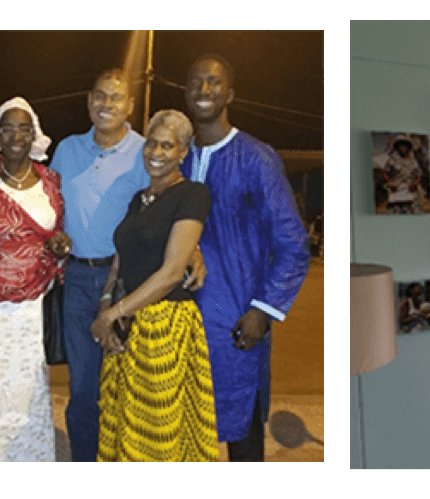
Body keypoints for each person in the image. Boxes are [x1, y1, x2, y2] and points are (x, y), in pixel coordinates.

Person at [51, 69, 205, 462]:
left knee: (127, 389)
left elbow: (172, 206)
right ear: (88, 100)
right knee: (83, 388)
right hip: (79, 280)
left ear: (130, 106)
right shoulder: (67, 150)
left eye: (116, 98)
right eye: (100, 96)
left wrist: (193, 248)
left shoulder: (143, 150)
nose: (107, 105)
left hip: (131, 285)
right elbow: (48, 208)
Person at [181, 54, 311, 462]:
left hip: (236, 322)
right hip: (179, 321)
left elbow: (293, 244)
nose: (204, 90)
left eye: (214, 82)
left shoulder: (256, 157)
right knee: (183, 429)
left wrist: (263, 310)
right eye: (196, 82)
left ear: (230, 94)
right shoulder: (176, 159)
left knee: (242, 433)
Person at [89, 110, 216, 461]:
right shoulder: (139, 199)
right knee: (125, 424)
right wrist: (106, 308)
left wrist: (115, 311)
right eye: (151, 144)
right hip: (128, 323)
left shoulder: (192, 194)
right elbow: (121, 258)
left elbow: (173, 272)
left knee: (157, 433)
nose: (156, 153)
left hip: (165, 327)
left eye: (167, 146)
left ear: (183, 153)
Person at [0, 97, 70, 462]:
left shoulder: (50, 182)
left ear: (34, 133)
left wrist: (59, 244)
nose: (16, 135)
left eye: (24, 127)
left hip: (36, 303)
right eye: (8, 127)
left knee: (31, 387)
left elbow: (58, 230)